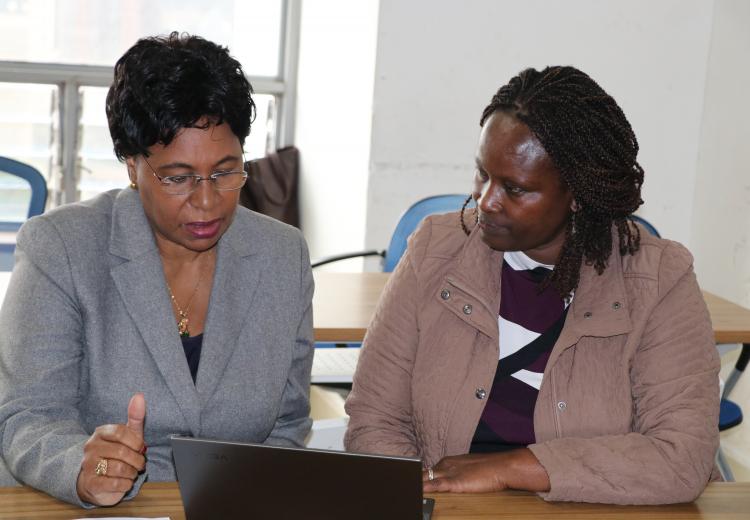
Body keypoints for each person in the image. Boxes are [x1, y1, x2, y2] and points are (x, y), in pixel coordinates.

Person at [344, 66, 720, 505]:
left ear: (578, 195)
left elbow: (681, 456)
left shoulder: (660, 279)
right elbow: (375, 418)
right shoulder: (434, 249)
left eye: (515, 189)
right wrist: (421, 502)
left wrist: (509, 469)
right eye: (482, 174)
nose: (486, 201)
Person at [0, 32, 314, 507]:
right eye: (178, 178)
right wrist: (82, 468)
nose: (207, 201)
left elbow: (288, 425)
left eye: (226, 172)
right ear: (132, 164)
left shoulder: (281, 256)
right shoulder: (62, 248)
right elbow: (28, 415)